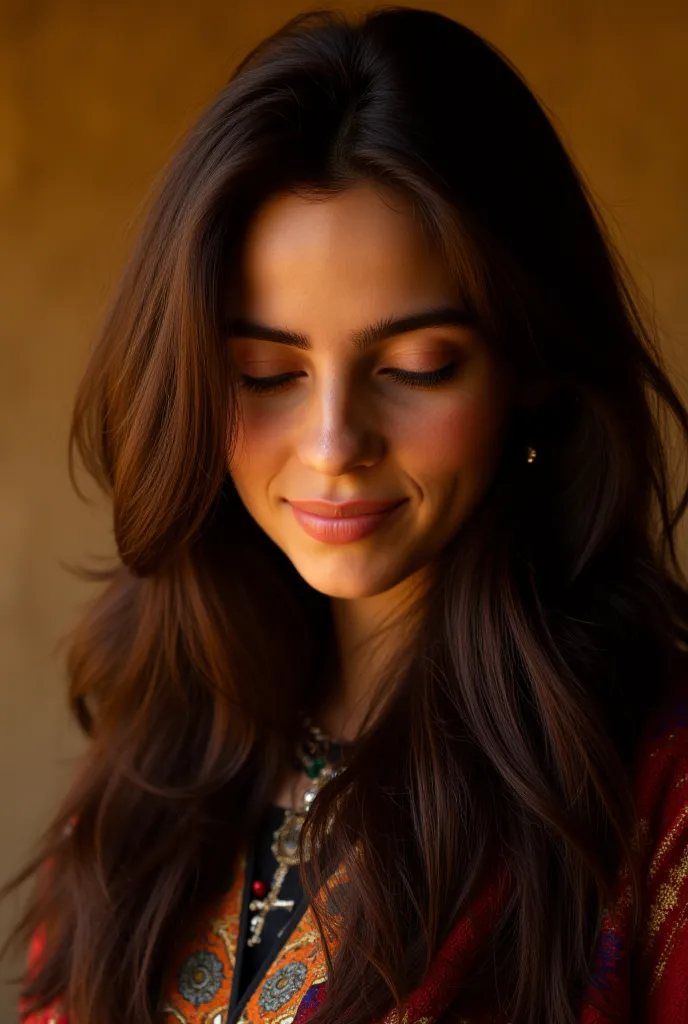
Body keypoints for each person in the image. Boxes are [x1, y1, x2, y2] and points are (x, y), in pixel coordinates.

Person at [3, 5, 688, 1023]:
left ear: (532, 365)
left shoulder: (649, 788)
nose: (333, 443)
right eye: (267, 373)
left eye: (417, 366)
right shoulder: (153, 762)